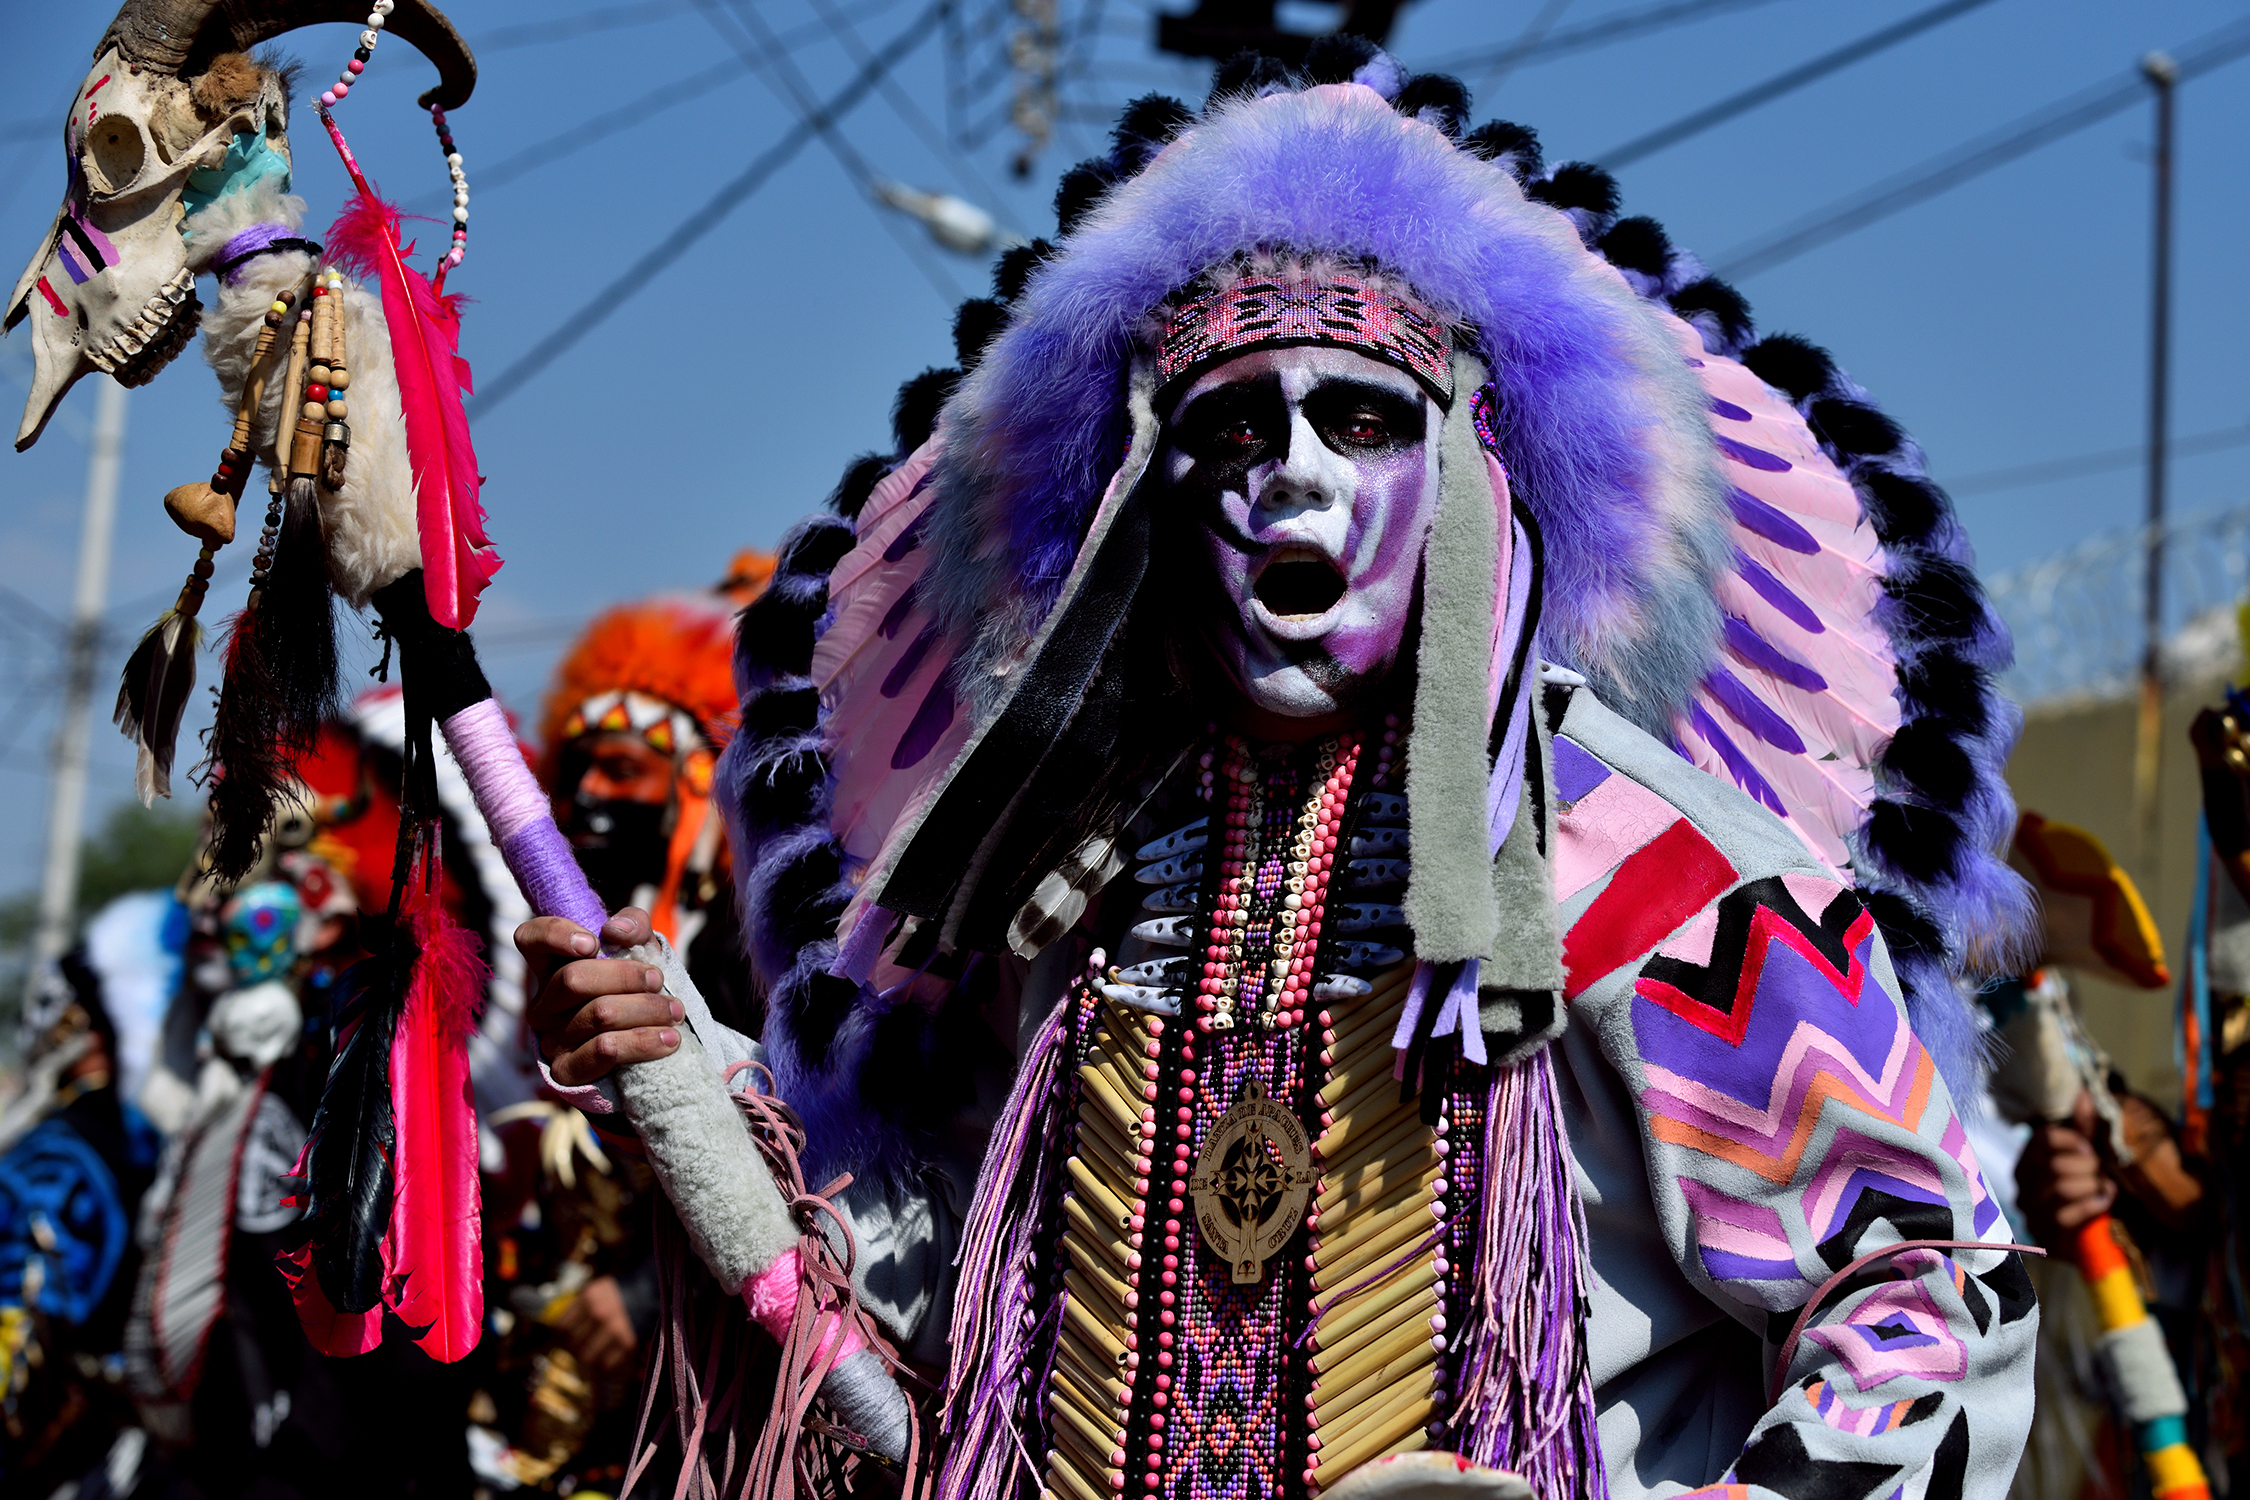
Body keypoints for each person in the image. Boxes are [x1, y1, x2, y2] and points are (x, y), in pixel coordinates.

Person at [519, 47, 2037, 1500]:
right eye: (1232, 425)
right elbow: (933, 1310)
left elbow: (1924, 1300)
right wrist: (690, 1086)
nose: (1290, 475)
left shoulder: (1649, 865)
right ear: (1151, 498)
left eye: (1361, 421)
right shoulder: (1058, 882)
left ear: (1463, 480)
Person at [473, 559, 768, 1494]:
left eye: (624, 769)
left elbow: (800, 1157)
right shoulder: (546, 956)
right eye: (579, 771)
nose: (591, 795)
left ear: (694, 785)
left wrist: (643, 1294)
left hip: (706, 1376)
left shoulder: (750, 950)